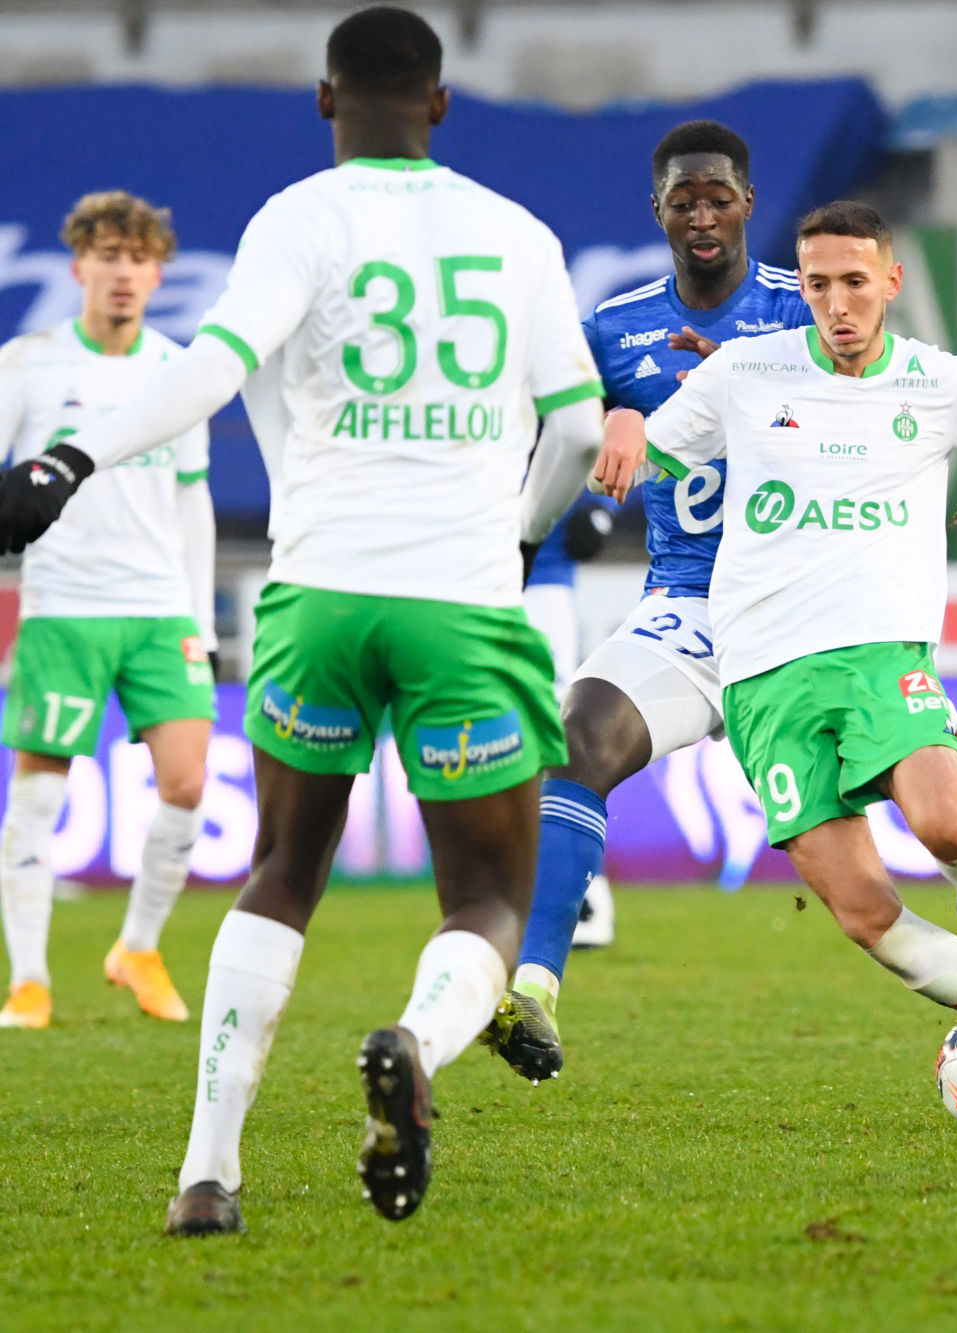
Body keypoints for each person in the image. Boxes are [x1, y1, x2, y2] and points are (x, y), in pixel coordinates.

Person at [0, 6, 605, 1234]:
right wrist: (519, 532)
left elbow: (208, 374)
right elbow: (584, 427)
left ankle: (206, 1177)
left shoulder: (296, 218)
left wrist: (66, 462)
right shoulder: (518, 234)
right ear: (441, 105)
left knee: (279, 874)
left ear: (326, 102)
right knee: (485, 901)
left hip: (317, 592)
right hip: (463, 601)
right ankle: (419, 1047)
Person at [484, 123, 957, 1084]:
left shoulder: (810, 302)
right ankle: (537, 989)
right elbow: (572, 450)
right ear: (659, 211)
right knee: (578, 738)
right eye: (684, 199)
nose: (703, 213)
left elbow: (903, 399)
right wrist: (565, 485)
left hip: (824, 612)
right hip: (691, 605)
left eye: (719, 195)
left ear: (749, 203)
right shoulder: (616, 328)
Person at [595, 200, 957, 1107]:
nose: (837, 304)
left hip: (876, 653)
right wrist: (619, 428)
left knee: (946, 825)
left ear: (891, 283)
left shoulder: (937, 382)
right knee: (864, 912)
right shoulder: (746, 372)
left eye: (856, 283)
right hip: (761, 679)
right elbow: (636, 453)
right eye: (818, 285)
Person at [0, 190, 216, 1030]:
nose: (123, 273)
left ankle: (136, 946)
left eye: (138, 258)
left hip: (161, 610)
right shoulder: (29, 362)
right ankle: (29, 979)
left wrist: (199, 615)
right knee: (40, 797)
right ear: (78, 266)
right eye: (108, 256)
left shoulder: (180, 370)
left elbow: (194, 499)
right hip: (64, 606)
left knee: (189, 782)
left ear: (160, 272)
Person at [521, 492, 620, 949]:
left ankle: (583, 894)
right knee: (523, 736)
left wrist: (602, 506)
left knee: (551, 735)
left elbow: (616, 427)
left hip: (542, 582)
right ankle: (510, 890)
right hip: (471, 578)